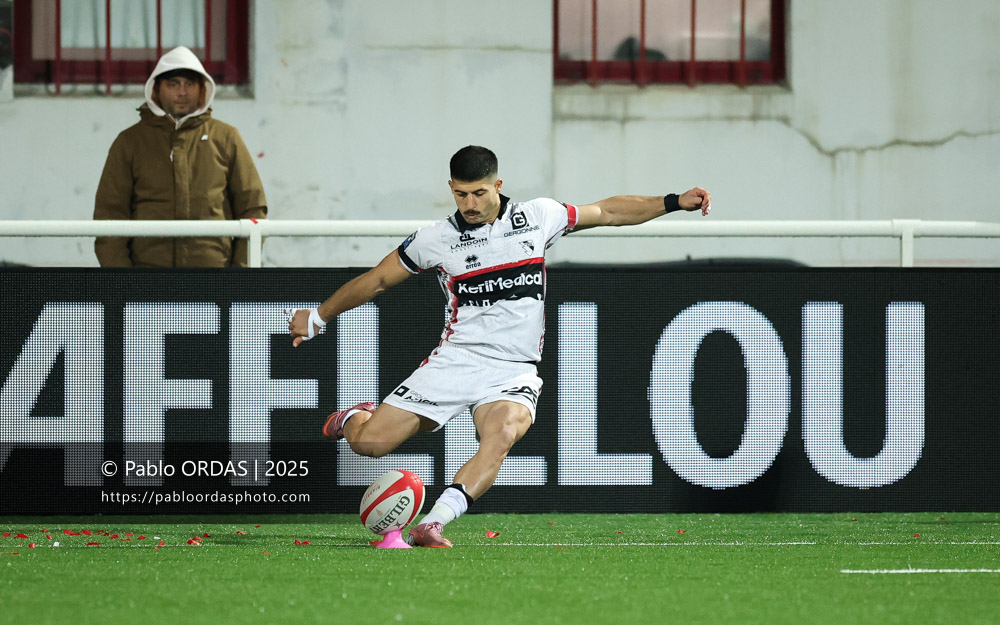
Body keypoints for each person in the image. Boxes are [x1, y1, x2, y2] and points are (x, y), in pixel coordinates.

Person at [287, 145, 711, 547]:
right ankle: (356, 418)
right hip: (456, 361)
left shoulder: (539, 216)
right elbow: (378, 278)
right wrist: (319, 316)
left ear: (499, 185)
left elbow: (610, 211)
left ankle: (432, 522)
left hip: (513, 370)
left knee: (502, 434)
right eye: (459, 194)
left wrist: (673, 200)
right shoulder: (435, 239)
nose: (469, 204)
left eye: (478, 193)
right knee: (370, 446)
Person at [93, 46, 267, 267]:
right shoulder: (129, 142)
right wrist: (125, 284)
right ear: (157, 89)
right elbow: (109, 215)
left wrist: (237, 278)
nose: (182, 92)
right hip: (147, 281)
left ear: (202, 89)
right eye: (173, 84)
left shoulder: (226, 138)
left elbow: (253, 208)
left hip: (214, 280)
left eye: (189, 84)